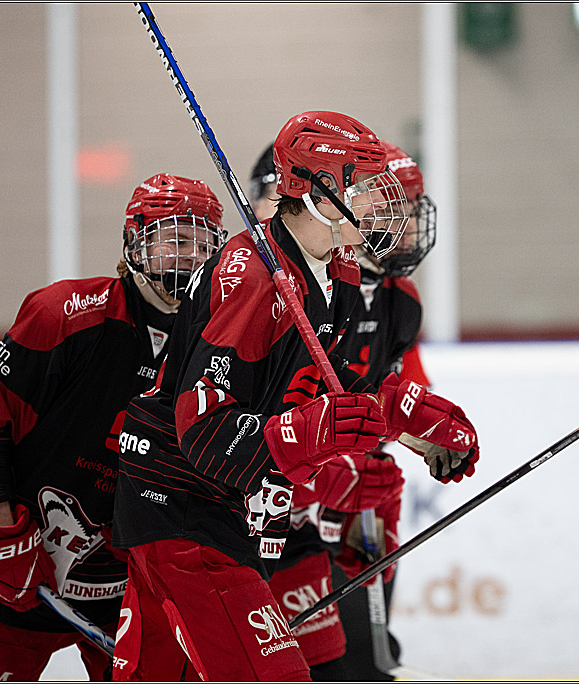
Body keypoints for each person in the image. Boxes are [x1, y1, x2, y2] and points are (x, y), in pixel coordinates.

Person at [110, 111, 478, 681]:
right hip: (184, 512)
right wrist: (316, 436)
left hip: (230, 513)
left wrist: (409, 420)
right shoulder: (251, 278)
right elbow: (205, 432)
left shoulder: (339, 269)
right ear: (320, 190)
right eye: (369, 186)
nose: (384, 204)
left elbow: (330, 382)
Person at [0, 174, 224, 682]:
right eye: (177, 241)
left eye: (205, 246)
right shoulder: (64, 315)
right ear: (134, 242)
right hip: (14, 579)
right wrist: (1, 533)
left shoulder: (217, 343)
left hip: (131, 599)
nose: (192, 259)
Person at [251, 141, 445, 679]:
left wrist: (417, 440)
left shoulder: (401, 300)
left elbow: (391, 402)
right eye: (396, 208)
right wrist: (328, 473)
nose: (407, 225)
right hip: (275, 493)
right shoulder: (304, 284)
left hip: (349, 492)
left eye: (411, 211)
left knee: (357, 656)